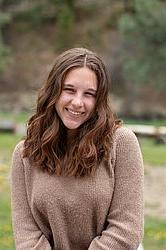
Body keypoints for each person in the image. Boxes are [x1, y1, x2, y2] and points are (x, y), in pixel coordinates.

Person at [11, 47, 144, 250]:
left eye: (89, 94)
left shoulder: (122, 143)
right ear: (53, 91)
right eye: (69, 90)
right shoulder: (24, 154)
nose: (77, 102)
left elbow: (126, 230)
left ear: (99, 100)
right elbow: (26, 235)